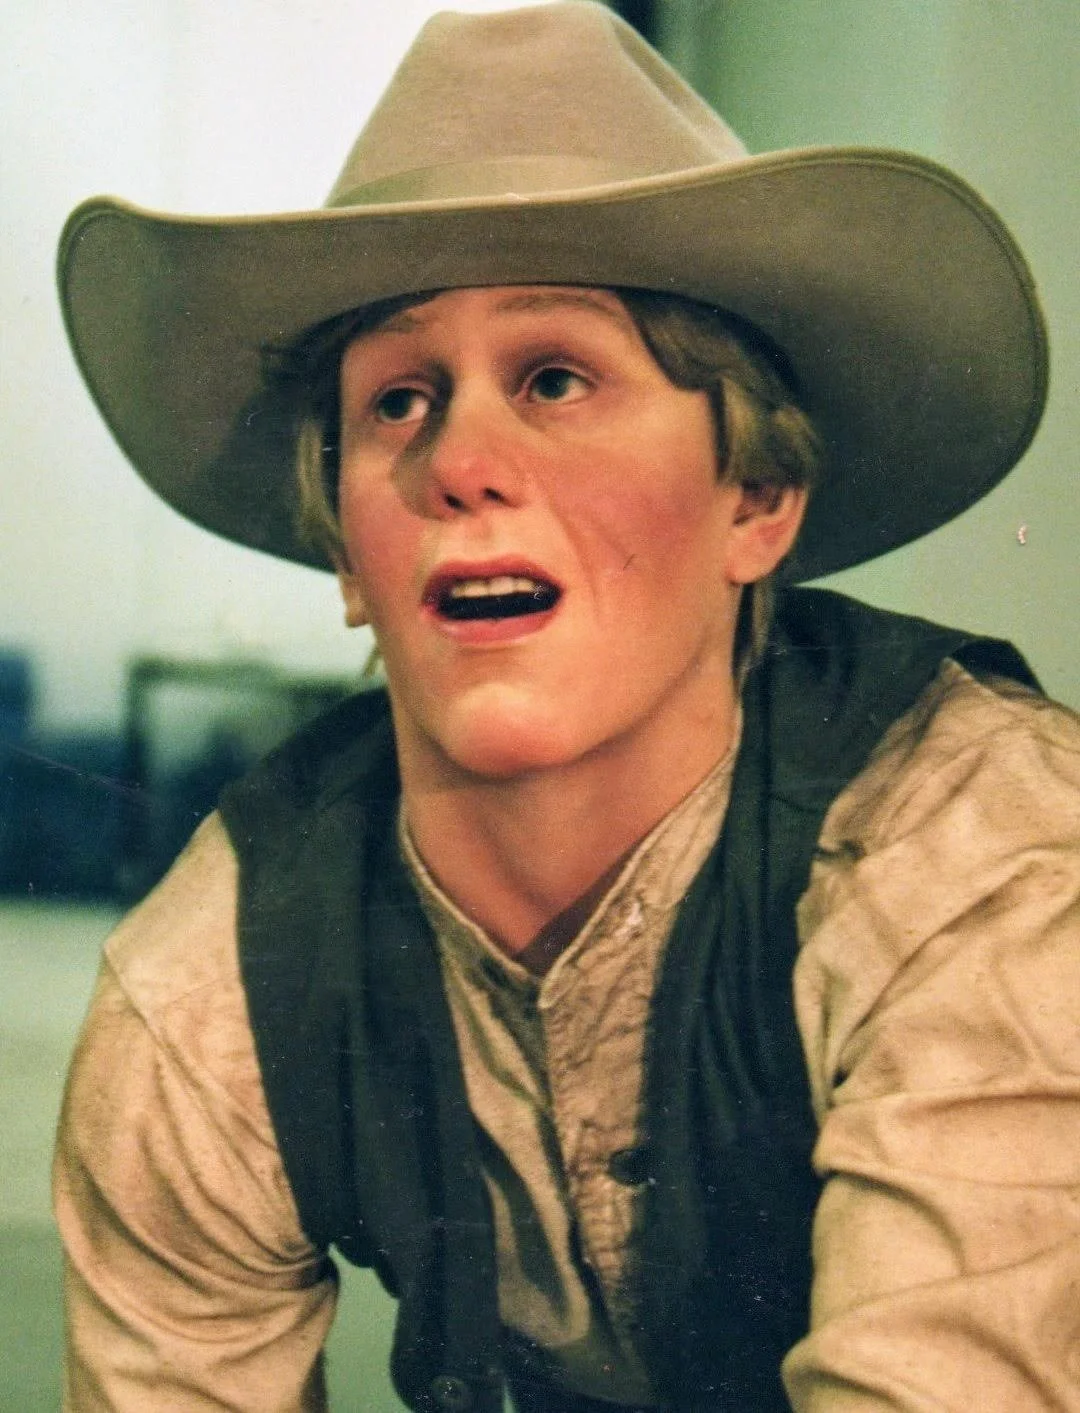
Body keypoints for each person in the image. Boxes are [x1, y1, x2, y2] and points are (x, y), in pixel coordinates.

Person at [53, 4, 1080, 1411]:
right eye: (398, 401)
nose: (460, 459)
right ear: (347, 555)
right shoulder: (212, 987)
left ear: (757, 501)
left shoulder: (986, 861)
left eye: (555, 378)